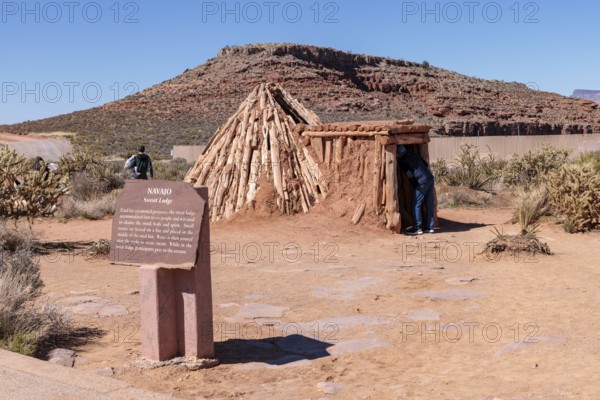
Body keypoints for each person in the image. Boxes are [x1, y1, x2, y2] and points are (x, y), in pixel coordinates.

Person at [397, 145, 435, 235]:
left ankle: (417, 228)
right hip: (430, 178)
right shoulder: (414, 155)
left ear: (398, 154)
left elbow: (409, 174)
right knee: (429, 203)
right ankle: (430, 227)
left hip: (421, 182)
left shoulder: (403, 161)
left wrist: (414, 184)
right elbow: (425, 164)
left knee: (416, 204)